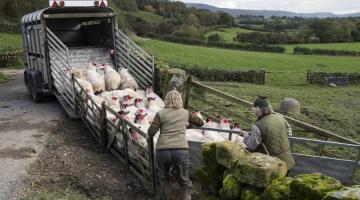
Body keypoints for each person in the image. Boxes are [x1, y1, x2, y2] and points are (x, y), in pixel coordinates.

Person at [148, 90, 204, 200]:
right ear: (180, 100)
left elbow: (151, 132)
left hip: (163, 150)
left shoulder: (160, 113)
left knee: (164, 177)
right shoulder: (185, 112)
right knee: (184, 180)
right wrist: (185, 125)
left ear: (166, 100)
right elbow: (200, 123)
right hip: (181, 150)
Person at [243, 95, 295, 171]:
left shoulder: (258, 126)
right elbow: (289, 133)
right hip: (288, 162)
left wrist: (246, 136)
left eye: (254, 108)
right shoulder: (280, 117)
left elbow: (251, 146)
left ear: (258, 109)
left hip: (273, 166)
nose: (253, 111)